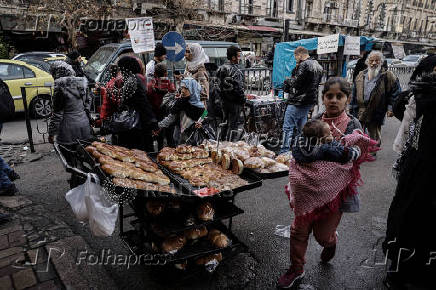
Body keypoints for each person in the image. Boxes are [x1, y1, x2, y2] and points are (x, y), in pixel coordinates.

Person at [278, 77, 378, 289]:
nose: (333, 100)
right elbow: (302, 148)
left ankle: (331, 242)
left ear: (347, 99)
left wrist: (346, 155)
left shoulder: (353, 124)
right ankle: (296, 269)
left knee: (322, 237)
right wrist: (314, 155)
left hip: (334, 193)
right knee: (298, 231)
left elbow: (356, 154)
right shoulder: (314, 120)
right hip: (306, 190)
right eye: (329, 96)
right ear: (322, 98)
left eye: (339, 96)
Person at [383, 55, 436, 289]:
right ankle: (402, 271)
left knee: (412, 218)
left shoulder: (422, 93)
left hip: (418, 167)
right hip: (421, 168)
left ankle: (404, 270)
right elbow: (400, 106)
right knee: (412, 218)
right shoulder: (423, 94)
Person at [102, 56, 158, 152]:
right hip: (137, 126)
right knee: (141, 156)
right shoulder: (135, 79)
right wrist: (153, 122)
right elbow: (143, 103)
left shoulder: (125, 80)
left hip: (128, 125)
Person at [350, 51, 401, 148]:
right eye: (371, 60)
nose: (373, 63)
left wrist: (391, 109)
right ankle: (360, 150)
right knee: (358, 130)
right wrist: (350, 106)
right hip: (360, 109)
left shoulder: (388, 76)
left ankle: (373, 149)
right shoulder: (361, 75)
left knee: (373, 131)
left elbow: (395, 93)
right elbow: (354, 92)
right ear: (367, 62)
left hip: (377, 109)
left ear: (381, 62)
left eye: (377, 61)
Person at [279, 46, 323, 154]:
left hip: (297, 101)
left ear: (300, 54)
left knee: (287, 127)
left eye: (295, 57)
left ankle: (284, 152)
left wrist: (287, 80)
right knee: (302, 128)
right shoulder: (317, 65)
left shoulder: (304, 64)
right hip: (309, 101)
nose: (295, 59)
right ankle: (301, 150)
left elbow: (296, 83)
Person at [48, 61, 93, 146]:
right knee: (84, 153)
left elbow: (57, 113)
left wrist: (51, 133)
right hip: (84, 125)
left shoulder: (60, 87)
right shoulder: (82, 84)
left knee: (70, 155)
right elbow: (87, 105)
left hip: (68, 129)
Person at [155, 78, 208, 145]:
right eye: (182, 88)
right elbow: (171, 117)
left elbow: (205, 113)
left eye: (186, 88)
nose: (182, 91)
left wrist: (201, 122)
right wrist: (159, 126)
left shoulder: (199, 100)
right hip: (182, 137)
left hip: (197, 138)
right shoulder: (181, 102)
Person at [291, 119, 361, 164]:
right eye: (329, 133)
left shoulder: (299, 141)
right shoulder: (325, 149)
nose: (331, 132)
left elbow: (295, 153)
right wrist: (355, 151)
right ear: (321, 140)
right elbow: (343, 154)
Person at [216, 45, 245, 141]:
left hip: (223, 102)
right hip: (234, 103)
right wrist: (243, 100)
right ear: (233, 57)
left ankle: (221, 143)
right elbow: (239, 89)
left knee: (224, 123)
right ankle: (231, 147)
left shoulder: (220, 68)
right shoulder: (237, 70)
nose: (240, 58)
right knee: (233, 126)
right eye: (239, 56)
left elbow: (217, 86)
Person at [147, 62, 176, 150]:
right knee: (169, 137)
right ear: (165, 73)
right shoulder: (169, 84)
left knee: (157, 138)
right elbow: (173, 94)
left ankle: (156, 155)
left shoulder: (150, 85)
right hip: (167, 114)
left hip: (155, 114)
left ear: (155, 73)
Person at [183, 43, 210, 107]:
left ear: (195, 54)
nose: (185, 54)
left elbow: (205, 94)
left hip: (197, 109)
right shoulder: (188, 67)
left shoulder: (201, 70)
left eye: (188, 52)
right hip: (188, 106)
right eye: (185, 51)